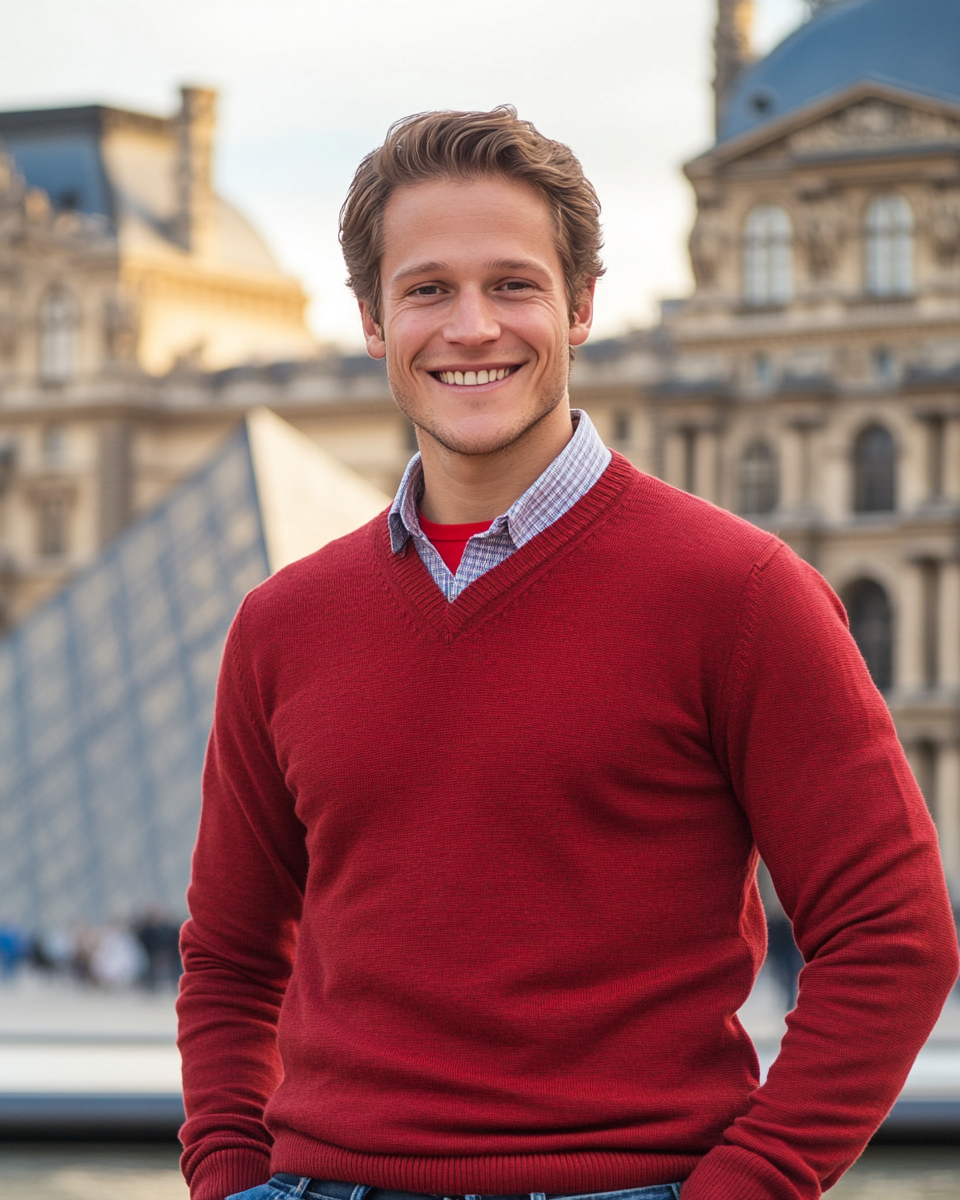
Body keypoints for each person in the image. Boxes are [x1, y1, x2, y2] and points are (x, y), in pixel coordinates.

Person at [177, 108, 959, 1200]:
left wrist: (753, 1184)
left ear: (581, 306)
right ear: (370, 319)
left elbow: (894, 937)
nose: (471, 327)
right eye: (427, 289)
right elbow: (227, 955)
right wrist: (225, 1174)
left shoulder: (739, 594)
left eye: (512, 284)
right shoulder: (282, 622)